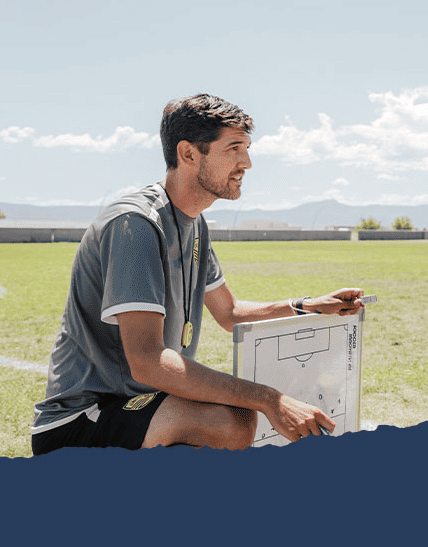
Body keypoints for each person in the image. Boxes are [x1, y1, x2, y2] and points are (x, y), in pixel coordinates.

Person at [31, 94, 367, 454]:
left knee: (234, 415)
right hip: (82, 418)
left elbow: (230, 313)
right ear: (189, 154)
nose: (247, 162)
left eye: (247, 148)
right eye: (234, 148)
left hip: (140, 403)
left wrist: (307, 305)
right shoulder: (135, 224)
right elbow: (147, 362)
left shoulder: (194, 225)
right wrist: (270, 399)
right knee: (230, 420)